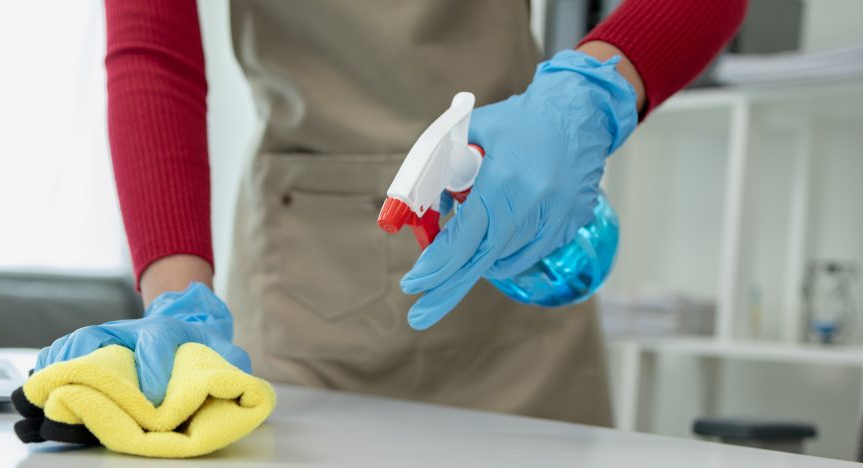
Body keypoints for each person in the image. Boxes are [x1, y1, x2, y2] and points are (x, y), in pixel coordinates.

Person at [36, 0, 747, 425]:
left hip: (518, 267)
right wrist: (175, 297)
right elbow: (154, 52)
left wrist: (593, 90)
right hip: (308, 310)